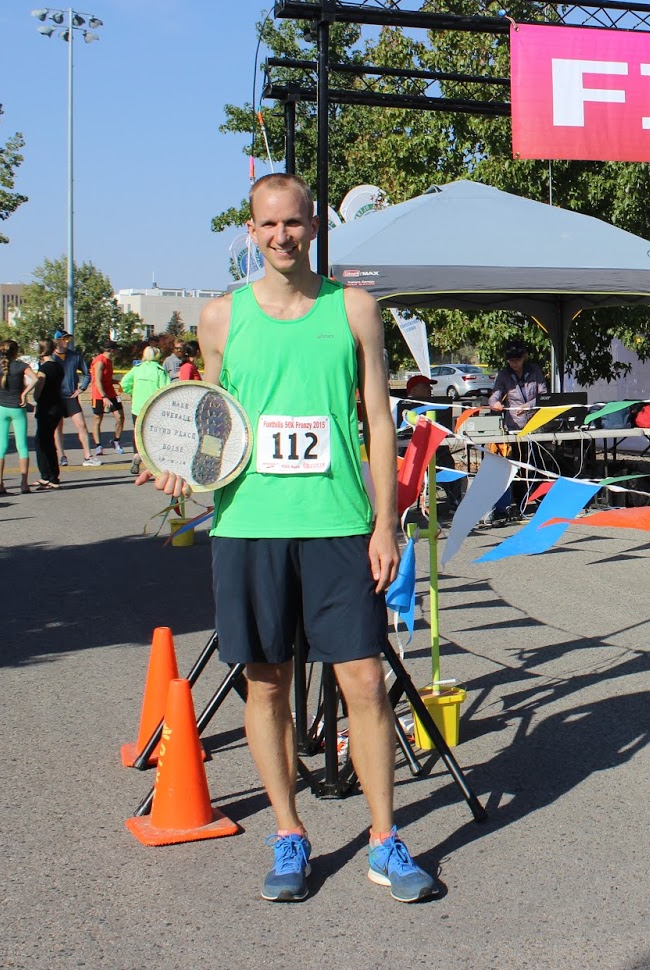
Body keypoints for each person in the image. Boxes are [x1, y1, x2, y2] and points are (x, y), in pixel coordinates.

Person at [143, 172, 435, 903]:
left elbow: (377, 422)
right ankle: (289, 833)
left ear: (313, 227)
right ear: (251, 230)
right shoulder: (221, 318)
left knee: (364, 680)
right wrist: (182, 468)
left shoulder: (356, 309)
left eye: (294, 224)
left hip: (339, 524)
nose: (282, 237)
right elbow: (207, 416)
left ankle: (383, 840)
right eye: (268, 225)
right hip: (249, 525)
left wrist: (383, 520)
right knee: (266, 681)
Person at [487, 339, 547, 518]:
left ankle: (539, 500)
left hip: (536, 425)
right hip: (514, 427)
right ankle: (520, 503)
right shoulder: (503, 374)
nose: (514, 364)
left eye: (517, 360)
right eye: (511, 361)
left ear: (524, 357)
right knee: (518, 465)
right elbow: (494, 395)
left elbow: (544, 396)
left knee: (537, 463)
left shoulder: (535, 370)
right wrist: (495, 403)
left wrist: (529, 405)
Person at [0, 339, 37, 495]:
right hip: (17, 408)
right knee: (22, 446)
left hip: (2, 408)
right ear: (16, 352)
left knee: (0, 447)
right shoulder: (21, 366)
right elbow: (35, 379)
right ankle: (24, 484)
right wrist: (24, 393)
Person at [51, 330, 99, 467]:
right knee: (57, 428)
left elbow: (87, 374)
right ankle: (62, 456)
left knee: (81, 425)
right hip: (57, 398)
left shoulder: (75, 356)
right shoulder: (51, 357)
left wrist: (81, 388)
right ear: (57, 341)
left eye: (68, 339)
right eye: (64, 339)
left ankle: (88, 456)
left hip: (71, 397)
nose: (67, 342)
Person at [121, 346, 170, 475]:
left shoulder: (137, 369)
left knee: (138, 433)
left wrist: (133, 392)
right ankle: (153, 464)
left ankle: (137, 455)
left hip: (137, 407)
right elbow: (166, 389)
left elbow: (124, 383)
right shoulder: (159, 371)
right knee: (154, 435)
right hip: (154, 408)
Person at [33, 342, 66, 490]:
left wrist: (35, 397)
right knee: (48, 441)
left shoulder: (44, 369)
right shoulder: (59, 366)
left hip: (46, 408)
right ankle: (52, 475)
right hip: (57, 406)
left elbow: (38, 389)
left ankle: (47, 476)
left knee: (41, 442)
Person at [89, 340, 126, 455]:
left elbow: (107, 380)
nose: (117, 351)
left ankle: (116, 441)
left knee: (120, 416)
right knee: (97, 419)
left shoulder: (109, 361)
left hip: (112, 394)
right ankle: (98, 446)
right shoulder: (99, 361)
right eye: (116, 349)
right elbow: (98, 381)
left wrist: (118, 382)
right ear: (111, 350)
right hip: (99, 395)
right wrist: (104, 397)